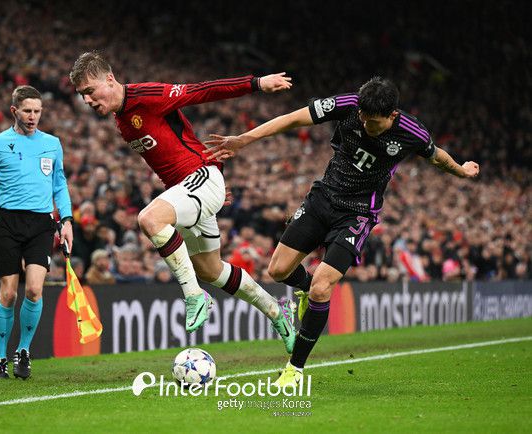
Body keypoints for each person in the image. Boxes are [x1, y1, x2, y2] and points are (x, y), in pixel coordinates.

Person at [205, 76, 480, 386]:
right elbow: (293, 118)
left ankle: (295, 369)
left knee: (323, 287)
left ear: (392, 115)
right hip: (322, 199)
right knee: (278, 270)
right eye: (362, 116)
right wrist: (245, 139)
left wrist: (461, 170)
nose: (365, 124)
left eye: (373, 121)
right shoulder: (349, 105)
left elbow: (437, 156)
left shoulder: (411, 132)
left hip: (357, 213)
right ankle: (304, 287)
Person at [69, 51, 297, 353]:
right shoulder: (121, 120)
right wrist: (204, 189)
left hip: (200, 179)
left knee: (149, 219)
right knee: (211, 271)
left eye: (89, 91)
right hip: (191, 188)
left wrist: (256, 83)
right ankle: (277, 312)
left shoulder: (146, 96)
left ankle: (194, 296)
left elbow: (202, 91)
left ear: (109, 79)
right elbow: (176, 149)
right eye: (82, 95)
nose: (87, 100)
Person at [0, 85, 73, 380]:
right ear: (14, 111)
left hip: (41, 224)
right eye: (27, 111)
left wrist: (67, 220)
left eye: (37, 111)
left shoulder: (52, 144)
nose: (33, 116)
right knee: (9, 293)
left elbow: (60, 185)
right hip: (8, 223)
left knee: (35, 290)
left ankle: (23, 351)